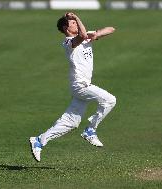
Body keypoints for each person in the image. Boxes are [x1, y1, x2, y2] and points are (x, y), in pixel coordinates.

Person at [29, 12, 116, 162]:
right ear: (66, 28)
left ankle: (39, 140)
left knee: (71, 122)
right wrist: (77, 17)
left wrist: (95, 35)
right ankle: (90, 130)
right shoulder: (69, 42)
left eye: (76, 22)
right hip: (80, 85)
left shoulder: (85, 36)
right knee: (110, 100)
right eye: (73, 22)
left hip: (82, 86)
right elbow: (81, 36)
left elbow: (111, 29)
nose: (76, 23)